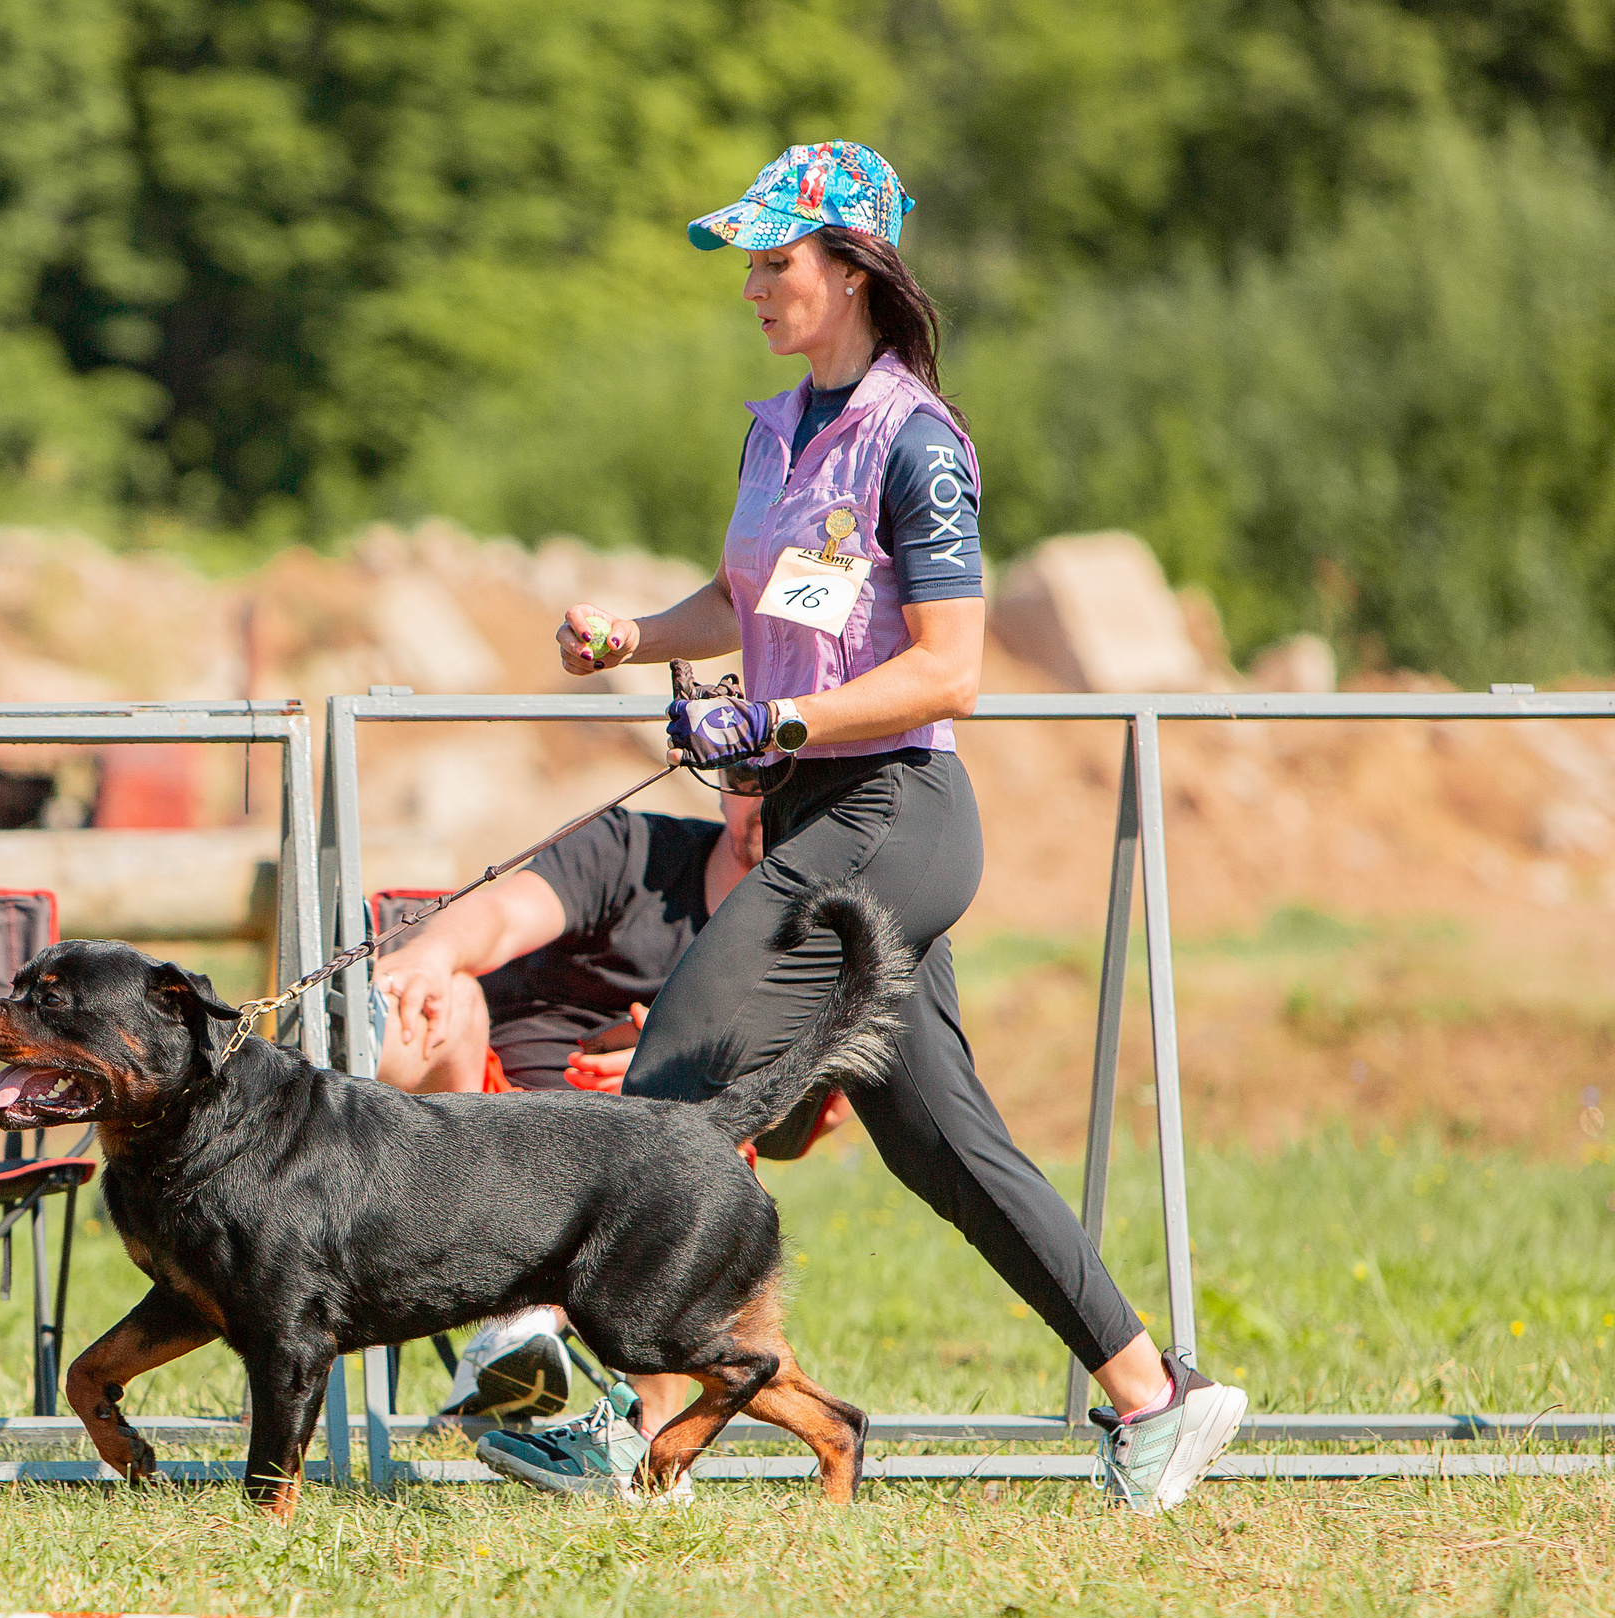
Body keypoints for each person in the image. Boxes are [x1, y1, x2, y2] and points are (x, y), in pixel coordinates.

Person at [475, 140, 1246, 1514]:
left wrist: (770, 730)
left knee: (670, 1082)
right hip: (818, 815)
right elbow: (743, 599)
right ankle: (1155, 1395)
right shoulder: (776, 428)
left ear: (855, 272)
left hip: (898, 812)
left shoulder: (919, 442)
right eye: (753, 266)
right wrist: (634, 636)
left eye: (777, 264)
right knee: (939, 1138)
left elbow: (950, 669)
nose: (756, 288)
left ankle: (622, 1434)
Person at [370, 781, 851, 1421]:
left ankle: (640, 1443)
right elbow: (502, 914)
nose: (765, 797)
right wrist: (430, 951)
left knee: (703, 1145)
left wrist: (684, 1065)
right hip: (484, 1122)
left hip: (638, 1170)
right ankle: (510, 1331)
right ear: (719, 786)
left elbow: (823, 1107)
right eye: (747, 777)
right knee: (449, 999)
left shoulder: (816, 927)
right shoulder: (632, 851)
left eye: (793, 777)